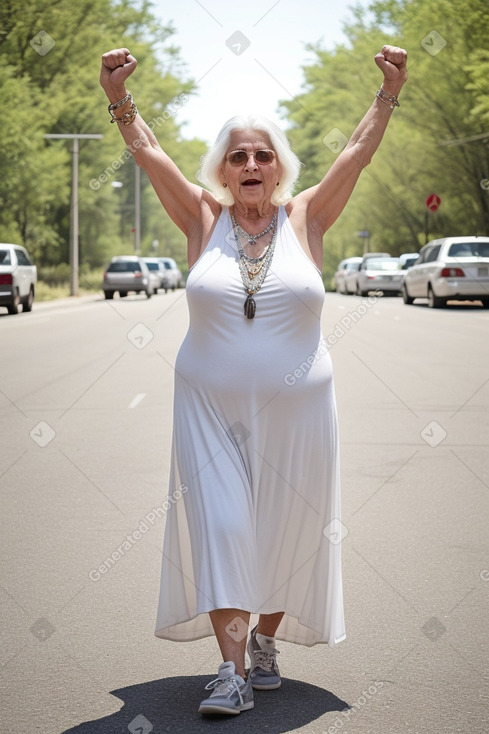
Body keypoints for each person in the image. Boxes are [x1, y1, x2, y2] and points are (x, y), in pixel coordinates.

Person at [100, 44, 408, 717]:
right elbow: (149, 150)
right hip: (207, 409)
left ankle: (264, 643)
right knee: (224, 527)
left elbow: (355, 151)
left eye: (261, 155)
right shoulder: (200, 217)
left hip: (299, 414)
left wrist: (388, 92)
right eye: (237, 155)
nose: (249, 165)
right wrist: (118, 99)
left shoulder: (307, 217)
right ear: (221, 168)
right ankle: (230, 672)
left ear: (278, 167)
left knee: (284, 533)